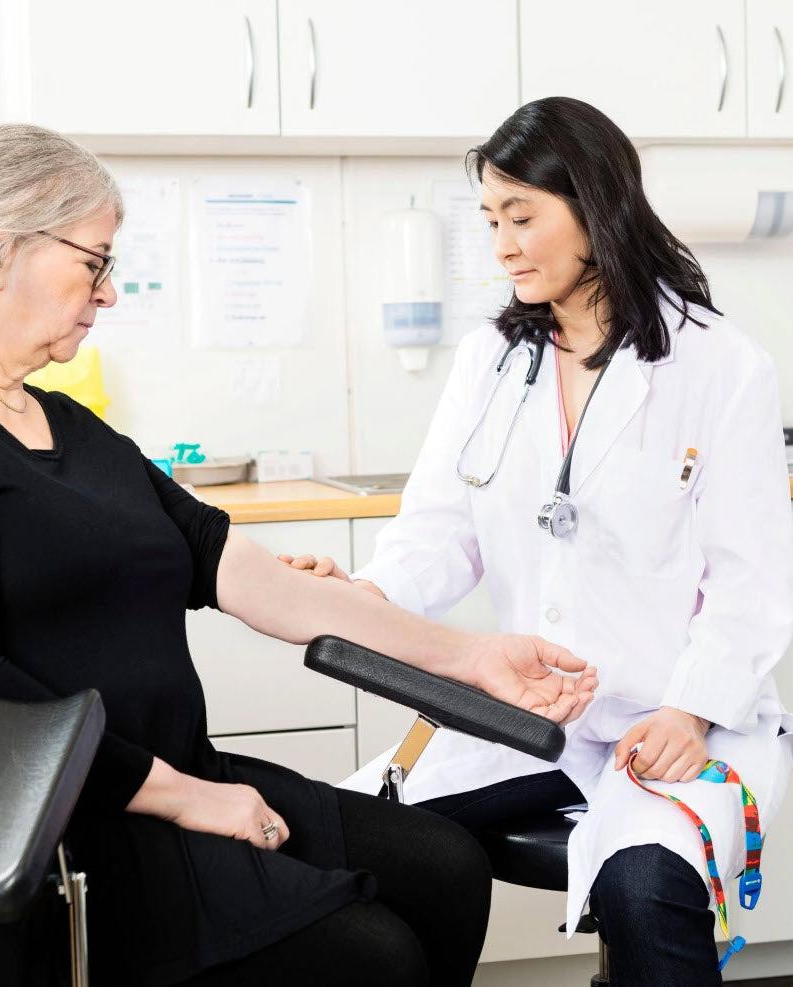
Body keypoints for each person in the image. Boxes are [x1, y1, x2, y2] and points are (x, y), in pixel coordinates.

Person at [0, 123, 597, 987]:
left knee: (445, 866)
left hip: (151, 772)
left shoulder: (65, 425)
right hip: (23, 822)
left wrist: (477, 657)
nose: (106, 293)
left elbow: (242, 572)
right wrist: (189, 797)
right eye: (94, 261)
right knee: (373, 956)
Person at [280, 97, 793, 986]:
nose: (503, 244)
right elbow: (437, 533)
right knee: (347, 841)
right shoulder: (491, 360)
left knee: (642, 887)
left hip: (667, 718)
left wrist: (690, 709)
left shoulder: (721, 366)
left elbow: (755, 579)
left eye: (523, 216)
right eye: (491, 220)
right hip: (523, 715)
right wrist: (359, 598)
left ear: (597, 206)